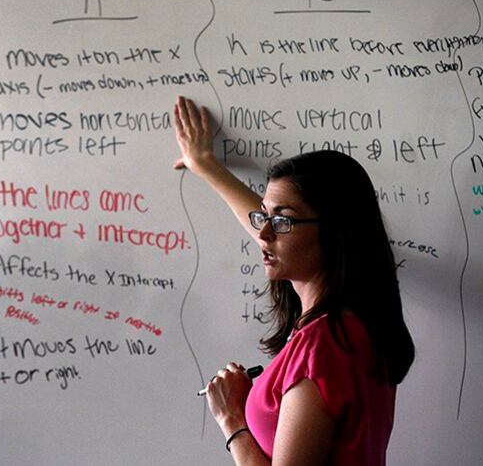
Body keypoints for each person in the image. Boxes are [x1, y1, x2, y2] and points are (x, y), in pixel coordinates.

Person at [172, 96, 415, 465]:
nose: (264, 233)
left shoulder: (324, 348)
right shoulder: (353, 325)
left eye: (282, 221)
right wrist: (205, 165)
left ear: (335, 233)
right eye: (264, 217)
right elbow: (269, 223)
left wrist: (232, 420)